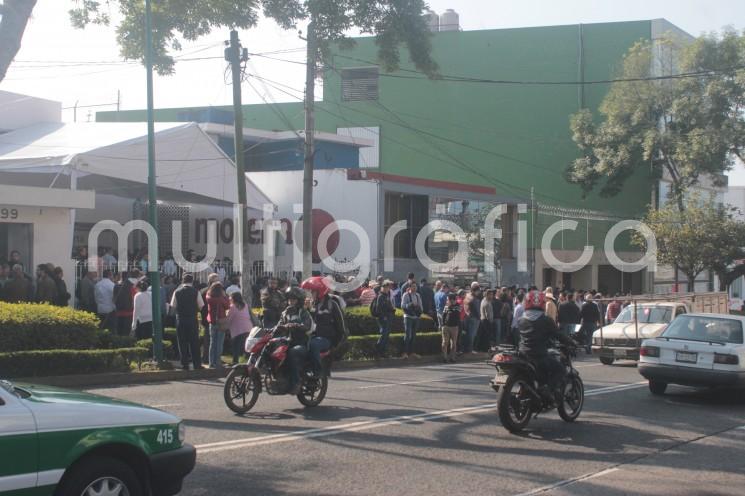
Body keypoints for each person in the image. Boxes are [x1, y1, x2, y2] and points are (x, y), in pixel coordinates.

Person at [518, 290, 575, 403]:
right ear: (542, 303)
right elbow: (558, 335)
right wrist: (571, 342)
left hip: (523, 354)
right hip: (539, 355)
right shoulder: (546, 320)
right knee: (560, 369)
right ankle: (547, 389)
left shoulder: (522, 319)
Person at [278, 286, 314, 395]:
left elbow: (307, 326)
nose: (291, 302)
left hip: (301, 344)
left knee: (291, 353)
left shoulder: (303, 312)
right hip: (288, 342)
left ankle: (296, 382)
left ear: (299, 301)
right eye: (289, 299)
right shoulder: (285, 313)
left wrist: (296, 325)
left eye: (293, 299)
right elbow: (279, 324)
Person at [171, 274, 205, 371]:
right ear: (192, 281)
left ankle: (184, 364)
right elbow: (201, 306)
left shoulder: (177, 292)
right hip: (192, 319)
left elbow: (173, 306)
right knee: (194, 342)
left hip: (180, 319)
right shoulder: (196, 292)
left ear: (183, 281)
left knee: (182, 342)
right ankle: (197, 364)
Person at [206, 282, 230, 369]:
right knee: (219, 343)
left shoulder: (208, 297)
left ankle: (211, 362)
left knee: (212, 343)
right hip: (221, 321)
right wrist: (225, 296)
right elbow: (227, 305)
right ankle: (217, 362)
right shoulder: (221, 298)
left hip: (212, 322)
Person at [225, 292, 254, 365]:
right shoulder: (245, 305)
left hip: (238, 329)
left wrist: (225, 326)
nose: (229, 299)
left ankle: (235, 361)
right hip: (248, 327)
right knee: (246, 345)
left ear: (233, 298)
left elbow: (229, 319)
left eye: (230, 297)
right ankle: (250, 360)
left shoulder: (233, 307)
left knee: (236, 346)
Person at [372, 280, 395, 357]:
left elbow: (388, 307)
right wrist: (384, 317)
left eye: (388, 287)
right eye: (385, 287)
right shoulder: (381, 296)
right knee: (384, 334)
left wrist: (392, 310)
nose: (387, 289)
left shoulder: (386, 296)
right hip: (383, 319)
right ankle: (378, 350)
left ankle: (382, 352)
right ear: (382, 287)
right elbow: (379, 309)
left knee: (386, 335)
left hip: (388, 318)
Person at [401, 282, 423, 359]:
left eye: (415, 286)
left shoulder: (418, 295)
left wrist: (418, 309)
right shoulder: (405, 295)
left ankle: (412, 352)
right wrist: (410, 305)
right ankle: (404, 352)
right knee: (408, 335)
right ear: (409, 287)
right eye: (413, 286)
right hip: (408, 317)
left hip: (415, 317)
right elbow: (403, 306)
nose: (415, 288)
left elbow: (421, 306)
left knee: (413, 335)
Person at [113, 271, 135, 336]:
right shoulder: (131, 285)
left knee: (119, 331)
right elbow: (134, 298)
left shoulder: (116, 285)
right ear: (129, 277)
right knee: (127, 332)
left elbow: (114, 299)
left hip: (119, 312)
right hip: (129, 312)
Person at [441, 292, 461, 363]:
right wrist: (442, 324)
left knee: (453, 343)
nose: (447, 301)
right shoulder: (446, 306)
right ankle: (445, 357)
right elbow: (443, 315)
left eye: (448, 299)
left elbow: (456, 314)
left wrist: (450, 307)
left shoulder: (458, 306)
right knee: (444, 342)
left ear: (452, 300)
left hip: (454, 327)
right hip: (446, 326)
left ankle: (452, 357)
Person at [463, 282, 481, 354]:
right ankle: (470, 349)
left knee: (467, 334)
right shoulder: (474, 299)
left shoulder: (467, 296)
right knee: (472, 334)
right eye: (478, 291)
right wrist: (479, 318)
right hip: (474, 318)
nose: (478, 293)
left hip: (467, 316)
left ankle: (466, 348)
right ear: (475, 291)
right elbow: (477, 310)